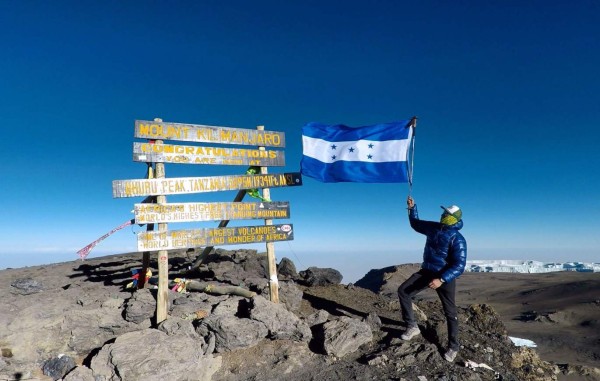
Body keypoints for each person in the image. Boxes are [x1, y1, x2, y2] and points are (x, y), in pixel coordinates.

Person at [398, 196, 467, 362]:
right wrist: (412, 208)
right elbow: (416, 224)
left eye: (446, 214)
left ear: (454, 219)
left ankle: (453, 347)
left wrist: (442, 279)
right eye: (443, 212)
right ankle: (412, 326)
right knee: (403, 291)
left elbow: (459, 265)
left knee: (450, 312)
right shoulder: (434, 228)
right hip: (427, 271)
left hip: (444, 277)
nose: (443, 215)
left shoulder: (457, 239)